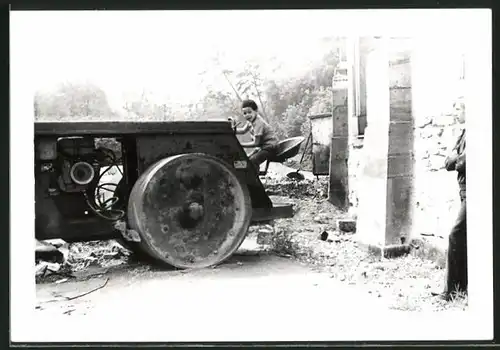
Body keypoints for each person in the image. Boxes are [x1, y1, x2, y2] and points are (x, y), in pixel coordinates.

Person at [433, 101, 467, 301]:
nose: (456, 114)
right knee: (462, 238)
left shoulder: (477, 133)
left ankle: (450, 291)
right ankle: (459, 288)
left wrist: (457, 159)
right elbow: (448, 163)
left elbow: (465, 161)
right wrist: (456, 159)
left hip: (474, 192)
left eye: (459, 110)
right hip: (463, 190)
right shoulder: (463, 134)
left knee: (456, 236)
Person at [232, 99, 279, 171]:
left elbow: (256, 143)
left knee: (253, 161)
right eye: (244, 113)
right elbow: (243, 130)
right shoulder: (250, 121)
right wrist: (231, 130)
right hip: (263, 146)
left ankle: (254, 180)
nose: (247, 115)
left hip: (270, 147)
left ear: (256, 111)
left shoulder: (258, 123)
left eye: (249, 112)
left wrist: (241, 145)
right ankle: (244, 175)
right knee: (246, 159)